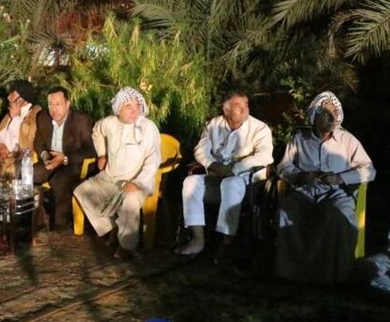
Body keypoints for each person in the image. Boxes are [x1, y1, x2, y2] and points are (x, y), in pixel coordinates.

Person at [275, 91, 376, 283]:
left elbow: (369, 170)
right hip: (305, 190)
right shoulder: (300, 139)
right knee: (287, 210)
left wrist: (340, 178)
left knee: (336, 213)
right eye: (326, 113)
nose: (332, 117)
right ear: (314, 116)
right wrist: (301, 175)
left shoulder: (347, 140)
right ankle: (293, 272)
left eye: (335, 113)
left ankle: (332, 275)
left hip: (336, 192)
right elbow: (283, 166)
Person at [175, 91, 274, 257]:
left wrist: (235, 169)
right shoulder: (213, 125)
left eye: (246, 105)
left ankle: (226, 242)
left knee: (230, 183)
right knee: (191, 182)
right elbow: (200, 150)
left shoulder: (260, 128)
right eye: (238, 105)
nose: (244, 109)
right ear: (226, 110)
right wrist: (213, 165)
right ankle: (197, 240)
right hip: (217, 176)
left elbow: (265, 156)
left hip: (247, 183)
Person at [73, 87, 161, 259]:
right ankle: (113, 228)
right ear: (118, 109)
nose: (134, 110)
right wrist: (102, 154)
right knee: (81, 191)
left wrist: (138, 182)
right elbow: (97, 131)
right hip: (109, 177)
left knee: (130, 202)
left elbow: (154, 159)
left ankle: (127, 246)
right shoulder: (109, 123)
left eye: (137, 106)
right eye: (128, 106)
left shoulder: (147, 127)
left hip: (137, 181)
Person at [32, 86, 96, 230]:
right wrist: (45, 156)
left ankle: (60, 227)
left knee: (60, 180)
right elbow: (38, 141)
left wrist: (65, 158)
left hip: (72, 163)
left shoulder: (81, 121)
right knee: (29, 174)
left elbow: (91, 150)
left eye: (58, 104)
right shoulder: (43, 117)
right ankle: (37, 221)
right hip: (49, 160)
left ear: (67, 104)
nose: (54, 109)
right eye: (50, 104)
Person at [0, 80, 41, 179]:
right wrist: (0, 146)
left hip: (18, 157)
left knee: (7, 171)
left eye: (12, 94)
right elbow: (0, 134)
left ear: (22, 98)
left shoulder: (35, 114)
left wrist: (15, 117)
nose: (9, 97)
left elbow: (25, 141)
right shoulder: (10, 111)